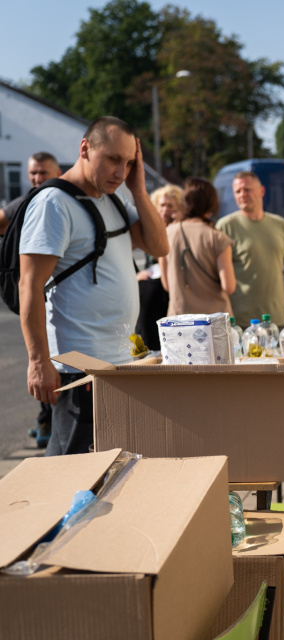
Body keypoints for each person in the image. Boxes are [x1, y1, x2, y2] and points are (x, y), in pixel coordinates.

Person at [19, 116, 169, 456]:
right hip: (77, 370)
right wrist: (39, 361)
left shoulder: (114, 199)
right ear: (85, 149)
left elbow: (160, 247)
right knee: (69, 477)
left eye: (129, 163)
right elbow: (28, 285)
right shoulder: (53, 204)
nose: (121, 171)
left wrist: (140, 190)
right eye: (114, 159)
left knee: (108, 477)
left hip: (117, 364)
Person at [2, 151, 62, 448]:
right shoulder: (27, 200)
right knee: (40, 357)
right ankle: (46, 417)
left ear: (57, 173)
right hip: (35, 291)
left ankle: (50, 417)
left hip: (60, 296)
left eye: (43, 173)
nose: (37, 179)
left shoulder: (61, 199)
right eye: (33, 174)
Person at [215, 171, 284, 327]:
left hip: (276, 321)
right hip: (241, 323)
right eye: (237, 191)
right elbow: (215, 276)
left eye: (247, 189)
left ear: (261, 191)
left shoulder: (280, 225)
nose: (242, 195)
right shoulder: (225, 227)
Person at [159, 178, 235, 315]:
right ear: (212, 204)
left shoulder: (167, 233)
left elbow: (167, 285)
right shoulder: (218, 238)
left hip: (179, 319)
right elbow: (229, 286)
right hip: (214, 319)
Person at [135, 184, 184, 350]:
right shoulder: (148, 228)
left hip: (172, 287)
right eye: (162, 205)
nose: (165, 210)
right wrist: (134, 275)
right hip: (151, 287)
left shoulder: (180, 229)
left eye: (170, 206)